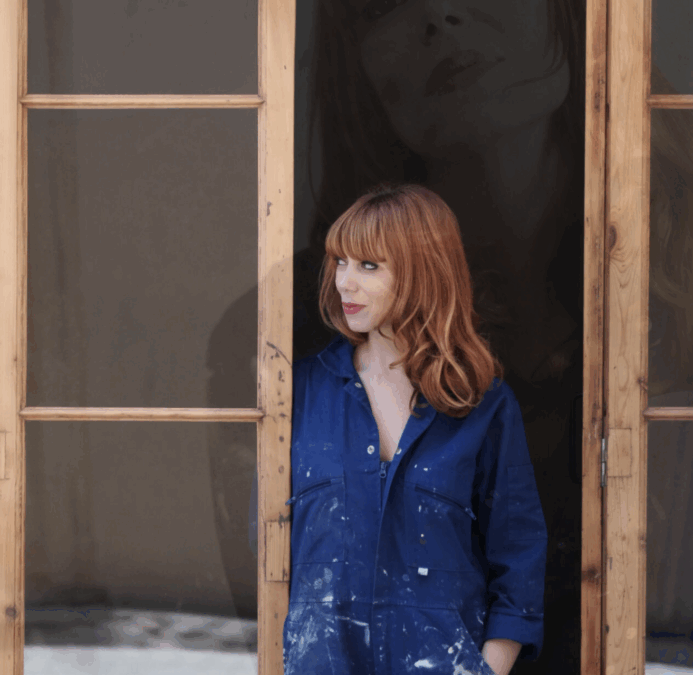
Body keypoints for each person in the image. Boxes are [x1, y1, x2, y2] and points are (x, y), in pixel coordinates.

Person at [284, 184, 547, 675]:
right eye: (340, 262)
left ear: (422, 272)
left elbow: (519, 562)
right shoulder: (300, 392)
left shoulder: (483, 405)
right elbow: (266, 544)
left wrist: (486, 670)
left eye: (369, 266)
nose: (344, 283)